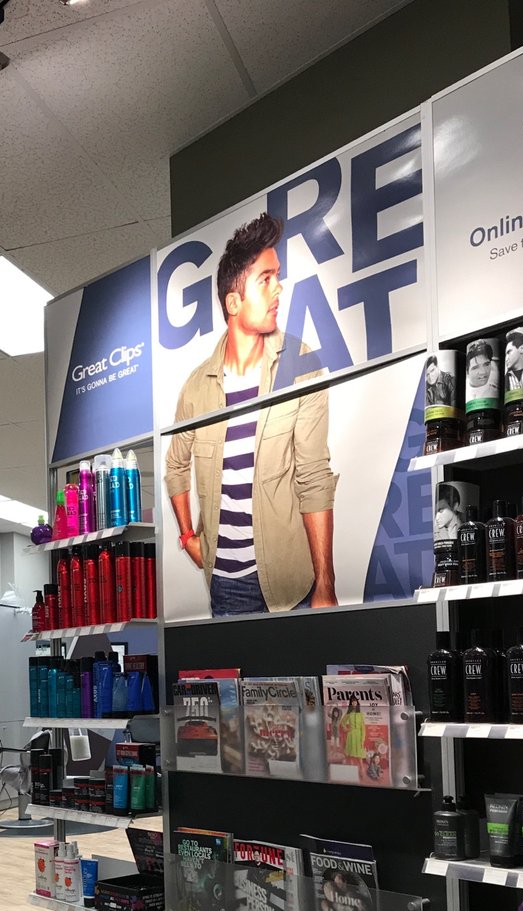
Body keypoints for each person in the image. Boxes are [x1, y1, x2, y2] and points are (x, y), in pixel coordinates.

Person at [164, 212, 337, 617]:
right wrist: (188, 537)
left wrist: (325, 583)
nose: (279, 288)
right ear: (234, 302)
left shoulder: (301, 365)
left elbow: (313, 478)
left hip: (290, 582)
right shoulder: (196, 389)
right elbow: (175, 466)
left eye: (278, 276)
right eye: (266, 279)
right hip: (225, 587)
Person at [340, 695, 366, 777]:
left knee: (359, 756)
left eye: (355, 701)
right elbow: (342, 722)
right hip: (351, 735)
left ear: (357, 702)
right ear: (350, 703)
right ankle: (352, 773)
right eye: (352, 701)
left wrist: (362, 740)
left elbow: (363, 728)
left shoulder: (360, 714)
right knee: (350, 755)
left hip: (358, 735)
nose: (354, 702)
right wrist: (346, 729)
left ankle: (362, 770)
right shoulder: (349, 713)